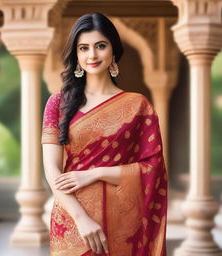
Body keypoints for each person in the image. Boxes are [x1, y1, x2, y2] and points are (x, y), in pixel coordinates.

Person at [41, 12, 167, 256]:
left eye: (100, 46)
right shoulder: (57, 103)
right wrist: (81, 219)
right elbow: (52, 170)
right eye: (84, 48)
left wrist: (94, 174)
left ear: (113, 50)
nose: (92, 55)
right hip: (72, 220)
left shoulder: (138, 105)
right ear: (76, 54)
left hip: (123, 221)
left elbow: (154, 169)